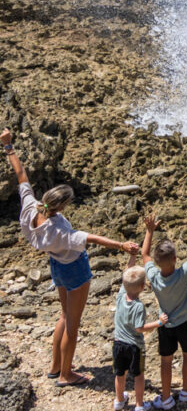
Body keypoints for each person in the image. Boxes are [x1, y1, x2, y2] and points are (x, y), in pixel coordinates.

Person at [2, 127, 139, 387]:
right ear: (61, 206)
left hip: (57, 267)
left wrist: (9, 147)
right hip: (74, 270)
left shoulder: (30, 208)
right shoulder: (60, 231)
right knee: (72, 324)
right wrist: (121, 245)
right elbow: (91, 238)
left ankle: (55, 367)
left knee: (64, 317)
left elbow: (21, 175)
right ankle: (66, 374)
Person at [142, 208, 187, 410]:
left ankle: (165, 398)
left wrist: (149, 230)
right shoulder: (182, 274)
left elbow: (144, 253)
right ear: (174, 259)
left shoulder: (153, 276)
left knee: (166, 360)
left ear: (157, 262)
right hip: (184, 323)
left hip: (165, 324)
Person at [113, 249, 168, 411]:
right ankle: (139, 405)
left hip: (118, 343)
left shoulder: (120, 295)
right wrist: (159, 322)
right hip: (134, 347)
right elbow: (140, 328)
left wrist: (132, 257)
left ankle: (118, 400)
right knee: (138, 375)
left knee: (119, 373)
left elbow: (127, 273)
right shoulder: (138, 307)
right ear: (143, 286)